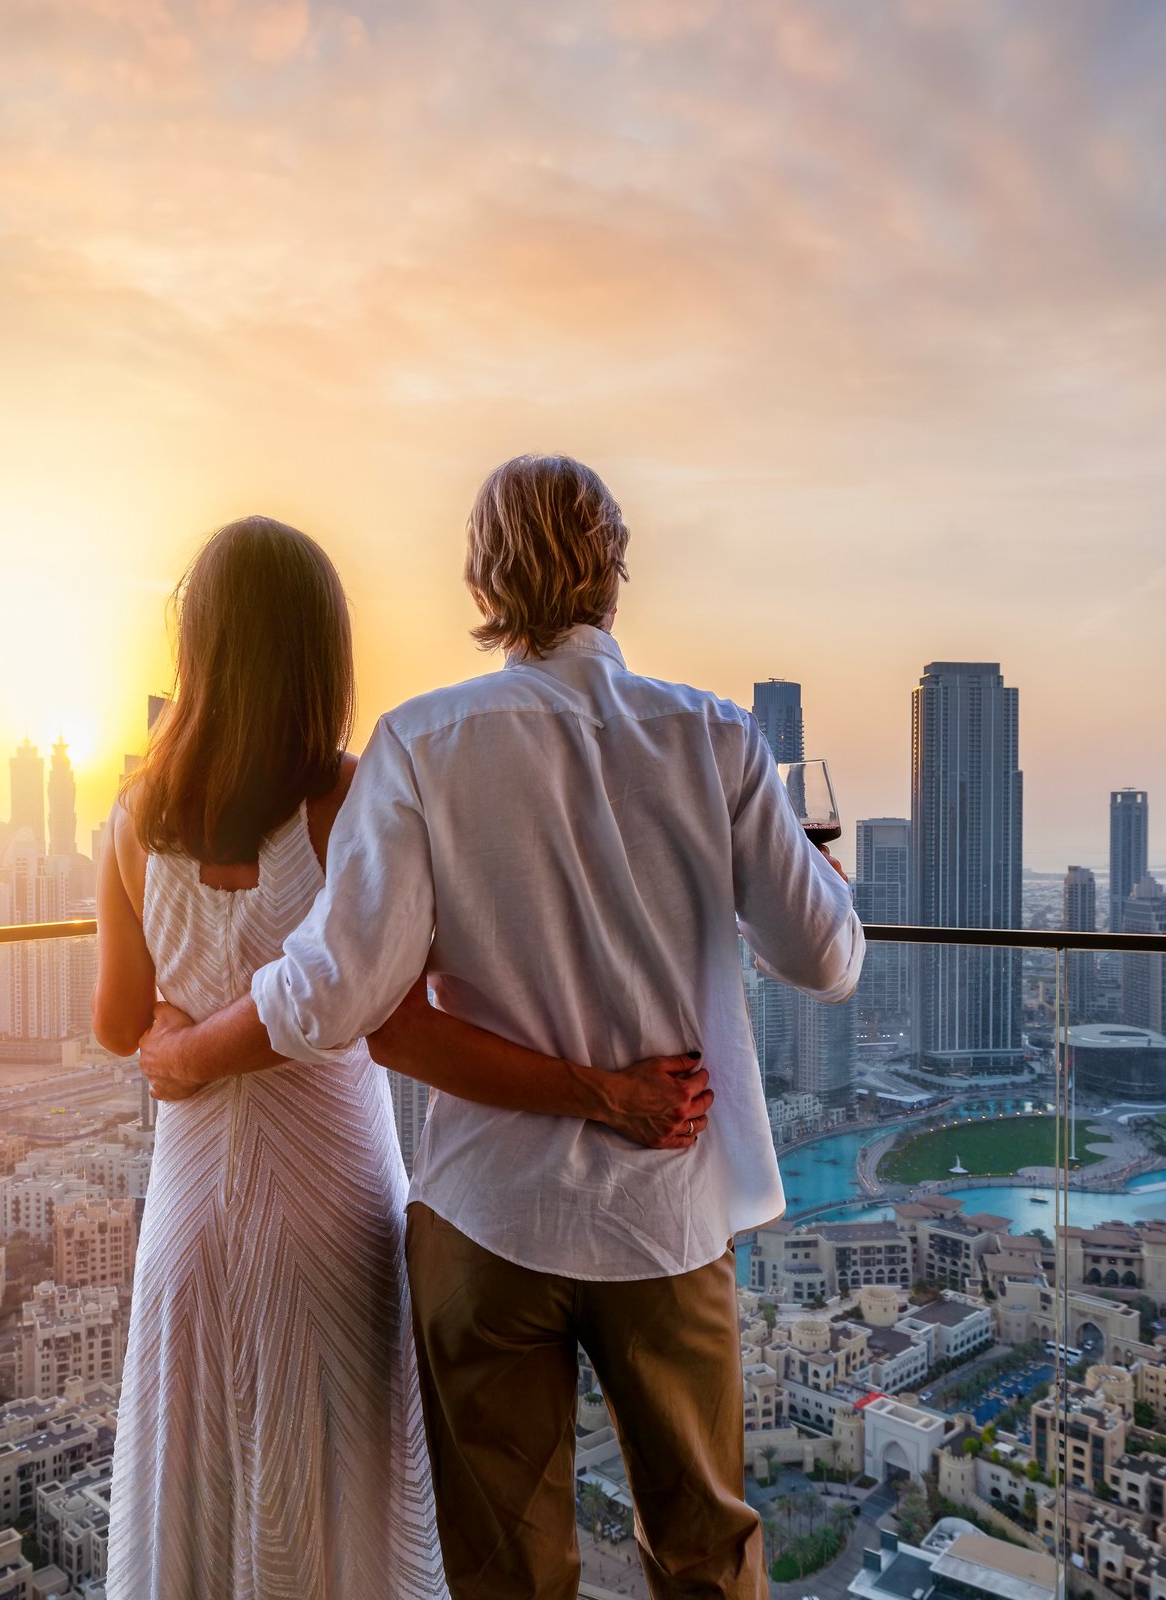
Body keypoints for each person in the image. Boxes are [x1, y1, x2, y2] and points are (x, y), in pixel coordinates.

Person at [139, 459, 864, 1600]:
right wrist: (813, 873)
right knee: (706, 1556)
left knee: (505, 1573)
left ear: (483, 581)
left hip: (484, 1227)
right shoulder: (718, 740)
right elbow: (825, 959)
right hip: (663, 1220)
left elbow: (336, 996)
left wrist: (181, 1052)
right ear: (615, 573)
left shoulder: (422, 744)